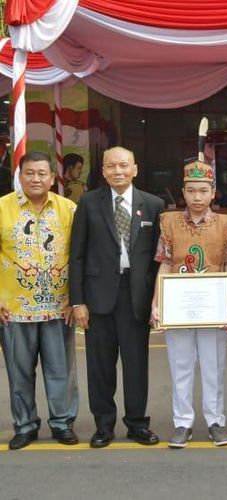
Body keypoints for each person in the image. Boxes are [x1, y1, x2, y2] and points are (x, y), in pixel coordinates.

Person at [69, 146, 165, 448]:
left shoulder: (153, 204)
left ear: (134, 168)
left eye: (123, 166)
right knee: (100, 365)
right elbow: (77, 256)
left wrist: (157, 299)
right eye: (111, 166)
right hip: (98, 297)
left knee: (136, 364)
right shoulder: (88, 202)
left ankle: (137, 423)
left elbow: (159, 258)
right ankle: (104, 425)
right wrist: (78, 301)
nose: (118, 171)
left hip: (136, 295)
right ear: (104, 170)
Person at [151, 160, 227, 448]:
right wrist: (157, 303)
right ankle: (182, 422)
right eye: (191, 191)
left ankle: (216, 421)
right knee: (181, 364)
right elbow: (164, 266)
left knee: (214, 366)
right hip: (179, 305)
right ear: (182, 193)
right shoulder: (169, 221)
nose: (197, 197)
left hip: (212, 305)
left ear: (213, 193)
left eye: (203, 191)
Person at [0, 151, 79, 450]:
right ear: (19, 176)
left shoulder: (68, 210)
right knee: (18, 371)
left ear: (52, 177)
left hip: (59, 307)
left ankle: (62, 423)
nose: (35, 178)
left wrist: (77, 298)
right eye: (29, 173)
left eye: (41, 173)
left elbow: (79, 256)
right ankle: (25, 425)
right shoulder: (2, 208)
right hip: (13, 308)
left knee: (61, 370)